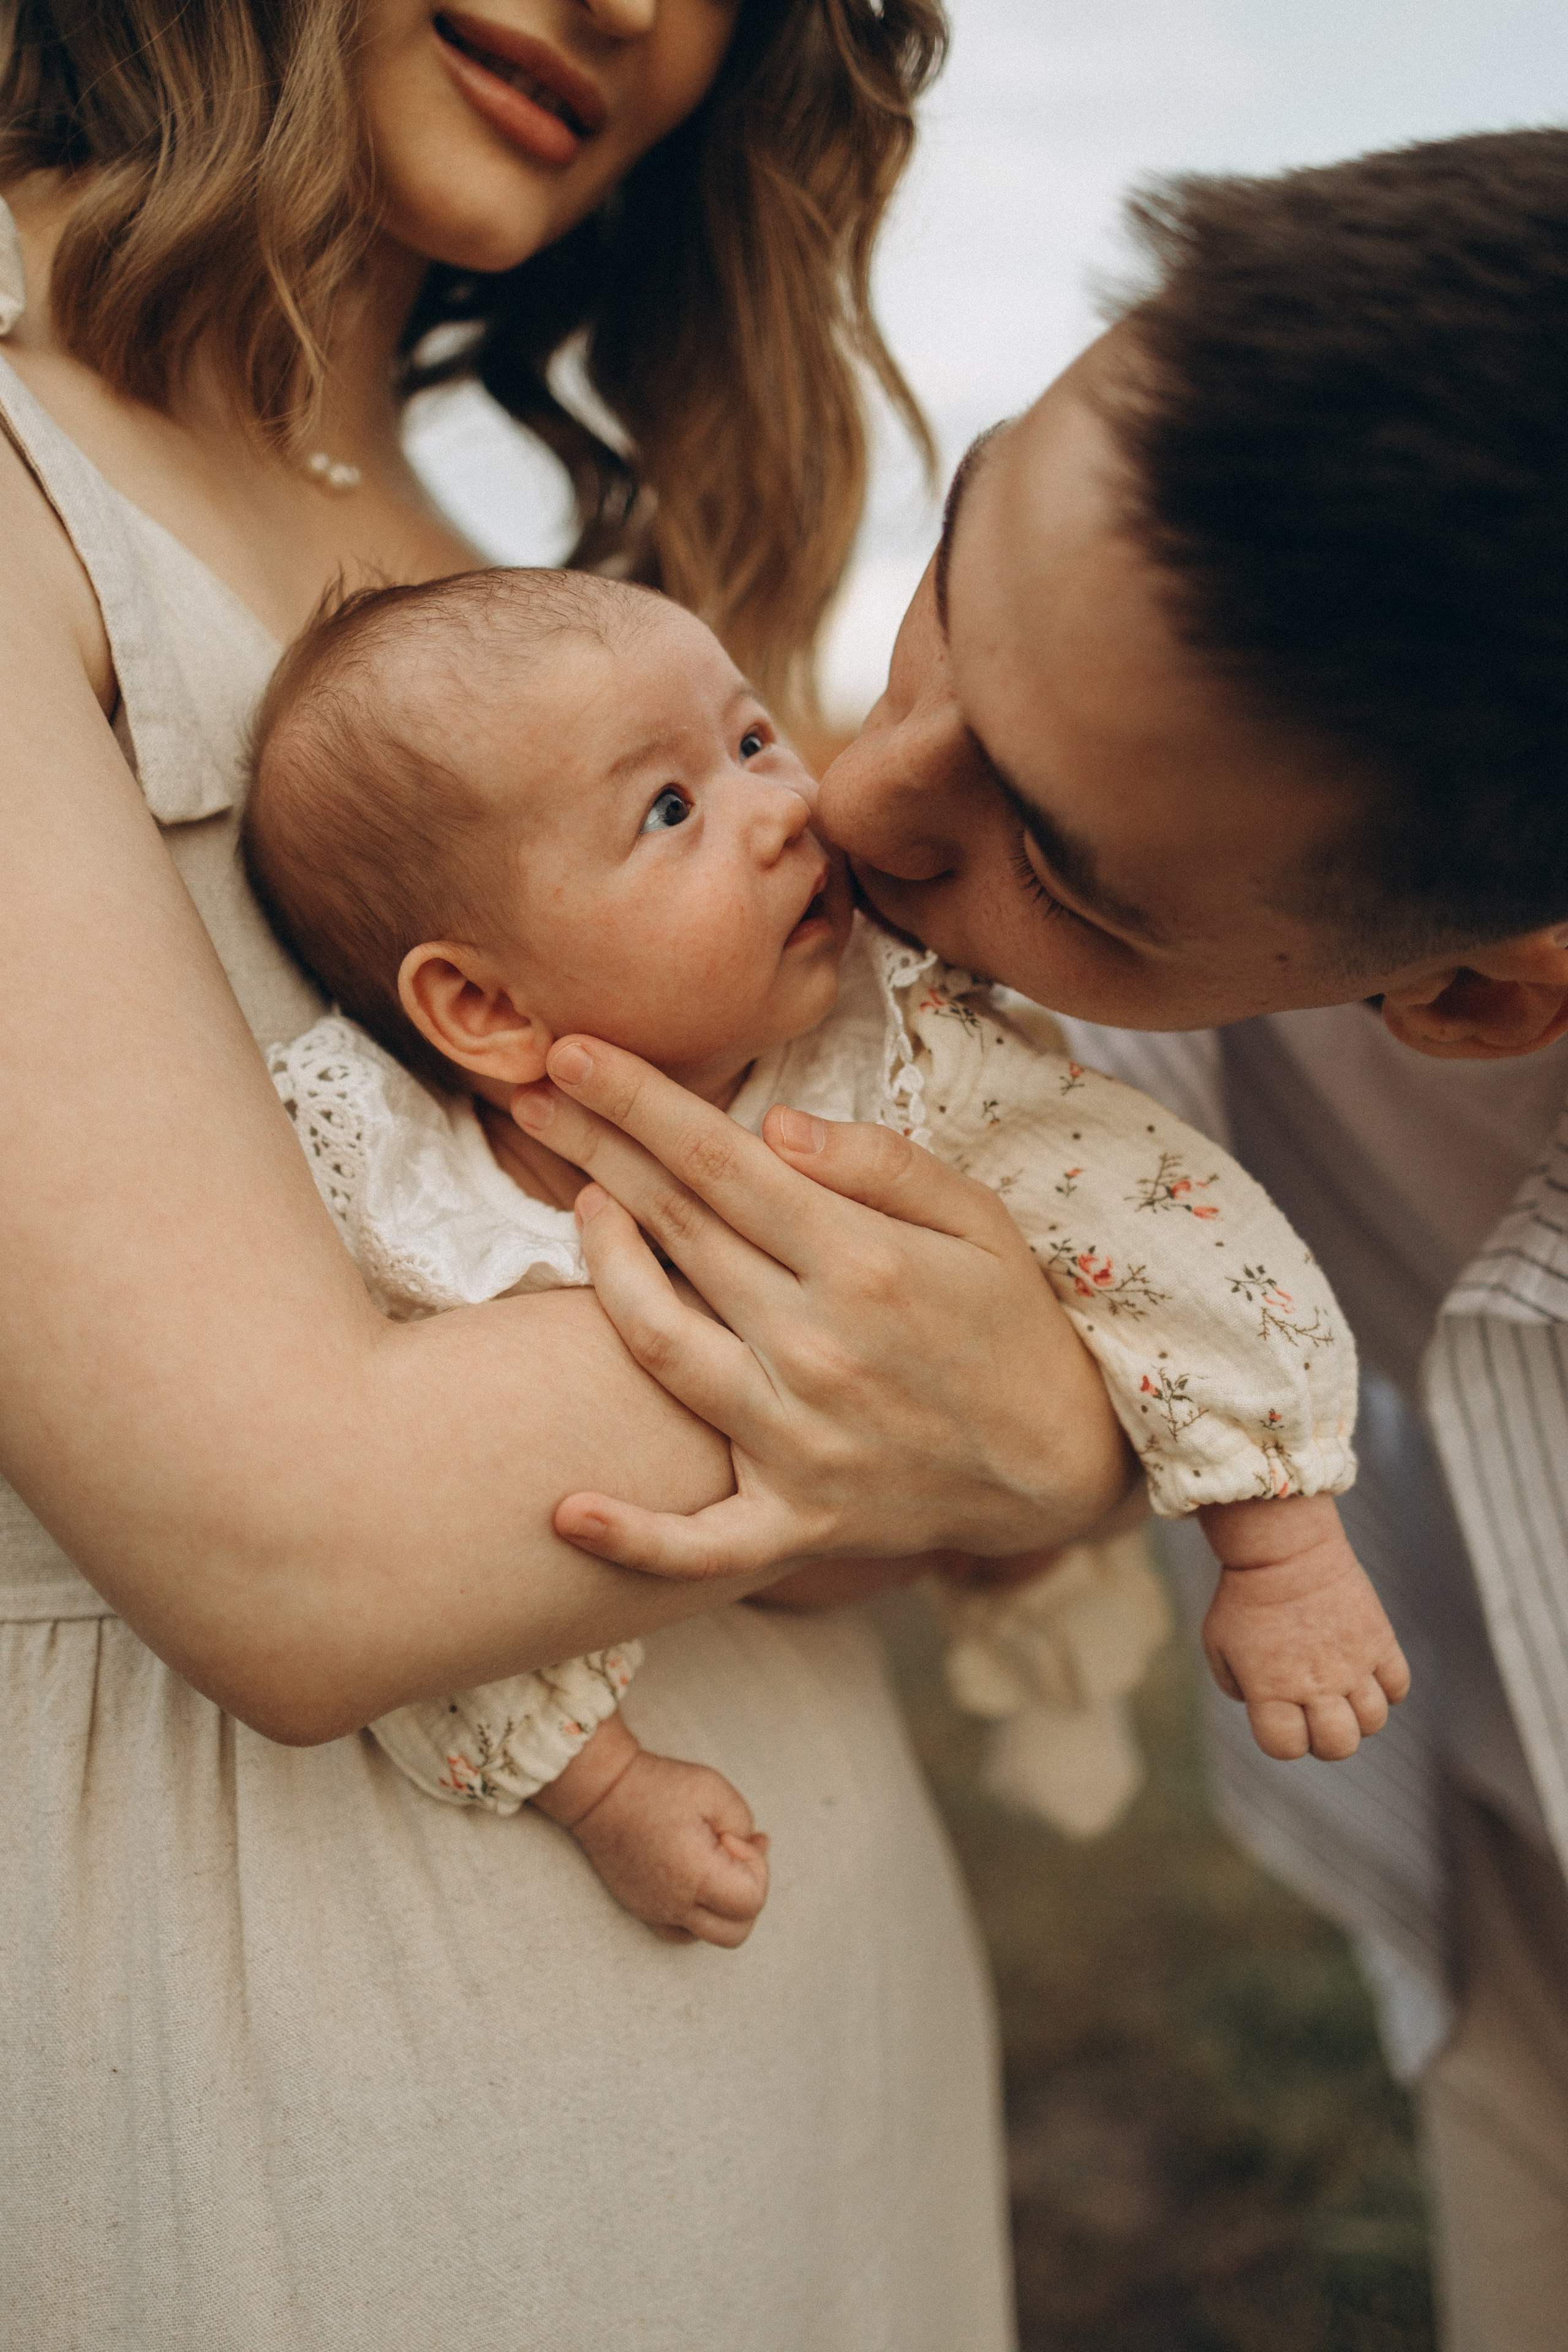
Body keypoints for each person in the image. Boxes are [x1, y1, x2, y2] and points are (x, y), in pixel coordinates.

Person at [0, 2, 1136, 2343]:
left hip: (812, 2020)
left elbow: (853, 1558)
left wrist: (1026, 1433)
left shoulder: (544, 614)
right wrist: (1042, 1361)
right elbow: (291, 1544)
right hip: (262, 2069)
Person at [523, 127, 1568, 2352]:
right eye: (951, 593)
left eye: (1058, 862)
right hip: (1503, 1887)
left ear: (1481, 992)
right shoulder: (1067, 979)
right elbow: (906, 1417)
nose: (866, 804)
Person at [237, 564, 1404, 1896]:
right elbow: (423, 1572)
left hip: (948, 1532)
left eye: (749, 740)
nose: (785, 808)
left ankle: (1039, 1620)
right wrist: (602, 1782)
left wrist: (1281, 1547)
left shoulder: (894, 1060)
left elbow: (1159, 1224)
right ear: (482, 1007)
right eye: (670, 808)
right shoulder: (411, 1202)